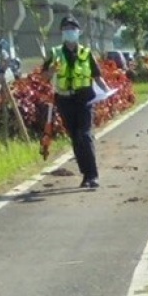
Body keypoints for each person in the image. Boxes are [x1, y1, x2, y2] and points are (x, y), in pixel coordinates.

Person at [42, 15, 111, 189]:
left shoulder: (87, 54)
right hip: (64, 99)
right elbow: (44, 76)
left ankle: (92, 175)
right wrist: (51, 70)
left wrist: (108, 92)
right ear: (62, 33)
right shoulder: (55, 53)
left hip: (84, 98)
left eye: (72, 29)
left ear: (78, 32)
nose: (69, 32)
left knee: (85, 135)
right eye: (65, 29)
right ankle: (85, 175)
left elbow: (97, 77)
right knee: (75, 137)